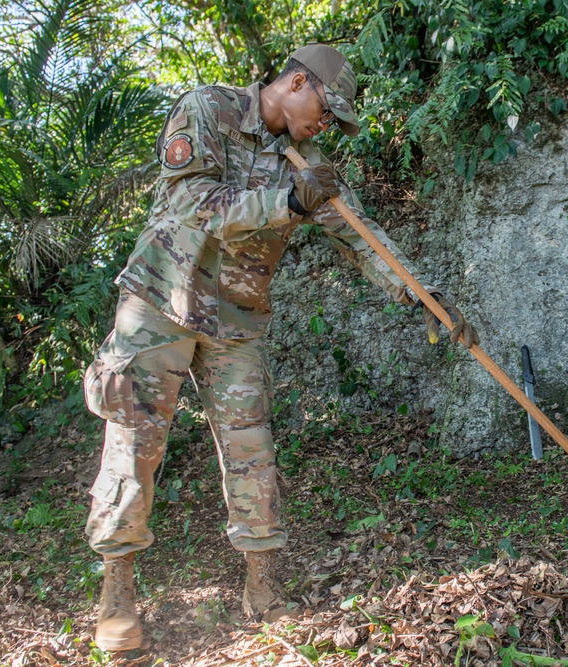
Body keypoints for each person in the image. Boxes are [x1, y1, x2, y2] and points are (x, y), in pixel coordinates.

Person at [82, 43, 478, 651]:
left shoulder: (306, 160)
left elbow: (358, 236)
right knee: (134, 442)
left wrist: (423, 298)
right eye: (325, 109)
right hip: (160, 300)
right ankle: (117, 594)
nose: (325, 125)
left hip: (235, 321)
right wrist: (287, 201)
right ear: (297, 82)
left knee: (252, 447)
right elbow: (193, 205)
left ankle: (262, 587)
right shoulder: (207, 109)